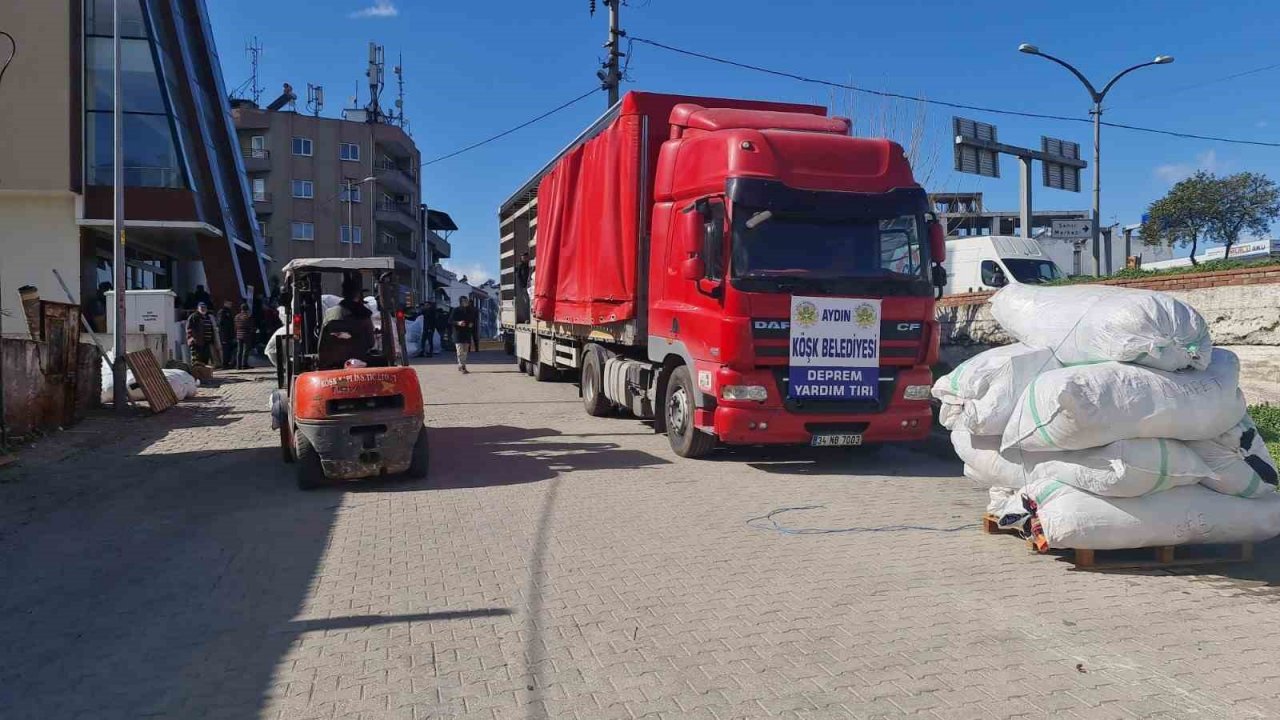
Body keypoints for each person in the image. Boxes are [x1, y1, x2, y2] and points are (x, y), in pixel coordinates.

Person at [322, 272, 376, 357]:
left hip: (331, 360)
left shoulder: (329, 314)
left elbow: (323, 340)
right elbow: (370, 343)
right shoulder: (364, 315)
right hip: (358, 359)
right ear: (358, 294)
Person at [448, 296, 477, 373]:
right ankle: (462, 366)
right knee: (460, 350)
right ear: (460, 302)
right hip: (458, 333)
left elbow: (473, 320)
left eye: (466, 301)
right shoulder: (455, 310)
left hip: (467, 333)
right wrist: (458, 323)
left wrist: (471, 324)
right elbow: (450, 321)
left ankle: (462, 364)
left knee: (465, 351)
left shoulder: (471, 311)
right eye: (464, 301)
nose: (466, 302)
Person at [186, 301, 216, 365]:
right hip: (197, 342)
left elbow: (211, 329)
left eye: (204, 307)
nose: (203, 309)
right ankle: (197, 373)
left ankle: (204, 373)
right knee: (197, 360)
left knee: (205, 359)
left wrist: (212, 339)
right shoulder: (194, 317)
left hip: (207, 342)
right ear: (198, 308)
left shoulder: (208, 317)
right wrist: (191, 338)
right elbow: (189, 329)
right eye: (201, 307)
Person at [234, 303, 254, 369]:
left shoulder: (237, 316)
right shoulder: (247, 316)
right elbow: (249, 326)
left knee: (239, 350)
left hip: (238, 335)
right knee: (245, 350)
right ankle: (244, 364)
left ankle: (238, 365)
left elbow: (235, 326)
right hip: (246, 335)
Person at [216, 301, 236, 369]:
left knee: (230, 349)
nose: (231, 305)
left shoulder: (229, 311)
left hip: (229, 334)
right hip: (224, 334)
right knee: (225, 350)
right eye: (229, 304)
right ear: (225, 304)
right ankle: (225, 364)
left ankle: (229, 363)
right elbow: (220, 323)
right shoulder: (222, 312)